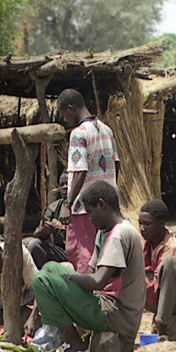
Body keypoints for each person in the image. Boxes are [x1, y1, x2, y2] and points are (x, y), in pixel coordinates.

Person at [33, 181, 145, 352]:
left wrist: (68, 280)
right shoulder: (104, 231)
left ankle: (74, 342)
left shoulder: (120, 235)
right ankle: (76, 337)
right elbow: (90, 271)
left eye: (91, 212)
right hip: (106, 304)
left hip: (117, 314)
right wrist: (67, 283)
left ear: (102, 204)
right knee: (50, 268)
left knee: (41, 281)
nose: (89, 218)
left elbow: (97, 281)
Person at [57, 89, 120, 274]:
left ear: (71, 108)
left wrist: (68, 204)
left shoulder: (78, 134)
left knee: (82, 255)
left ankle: (87, 298)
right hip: (106, 206)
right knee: (102, 251)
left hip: (84, 208)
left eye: (64, 114)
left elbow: (79, 171)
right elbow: (116, 164)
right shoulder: (106, 129)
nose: (65, 119)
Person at [139, 200, 176, 339]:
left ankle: (162, 327)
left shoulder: (171, 247)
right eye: (140, 223)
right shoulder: (144, 240)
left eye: (147, 224)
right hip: (155, 293)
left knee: (170, 264)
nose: (142, 228)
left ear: (161, 224)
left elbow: (156, 287)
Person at [27, 173, 69, 269]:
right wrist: (45, 230)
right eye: (62, 184)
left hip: (79, 251)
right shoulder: (54, 207)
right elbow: (36, 234)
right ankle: (44, 276)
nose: (65, 187)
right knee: (34, 245)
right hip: (61, 251)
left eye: (68, 183)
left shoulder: (83, 206)